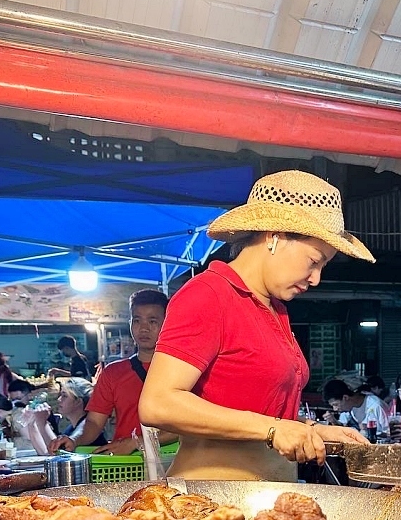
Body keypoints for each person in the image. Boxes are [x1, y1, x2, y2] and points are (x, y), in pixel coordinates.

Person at [138, 170, 373, 480]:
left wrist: (313, 431)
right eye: (314, 260)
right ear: (274, 237)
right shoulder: (208, 294)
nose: (316, 278)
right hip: (213, 501)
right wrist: (274, 429)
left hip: (269, 498)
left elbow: (261, 417)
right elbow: (157, 403)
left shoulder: (275, 309)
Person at [50, 289, 169, 455]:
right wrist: (74, 438)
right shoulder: (113, 373)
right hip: (126, 465)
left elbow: (190, 425)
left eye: (152, 321)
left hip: (172, 461)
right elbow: (93, 422)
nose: (143, 328)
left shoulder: (185, 370)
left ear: (167, 323)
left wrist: (136, 442)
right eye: (137, 320)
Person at [25, 378, 108, 454]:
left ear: (78, 401)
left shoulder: (87, 429)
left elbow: (58, 455)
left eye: (64, 396)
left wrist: (42, 423)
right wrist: (31, 424)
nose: (59, 399)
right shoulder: (72, 428)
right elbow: (46, 453)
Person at [321, 379, 389, 436]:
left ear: (345, 397)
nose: (335, 409)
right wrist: (334, 421)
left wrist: (370, 431)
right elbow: (344, 427)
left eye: (335, 404)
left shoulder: (376, 405)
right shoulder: (349, 407)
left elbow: (390, 433)